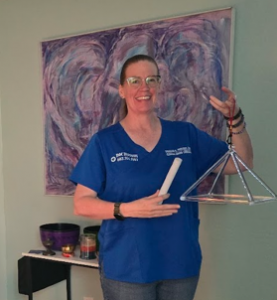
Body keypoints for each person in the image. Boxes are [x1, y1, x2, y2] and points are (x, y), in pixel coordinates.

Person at [70, 54, 253, 300]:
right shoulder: (105, 142)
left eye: (151, 79)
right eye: (134, 80)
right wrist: (130, 209)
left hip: (180, 264)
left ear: (159, 86)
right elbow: (82, 203)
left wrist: (235, 119)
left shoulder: (184, 135)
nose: (143, 87)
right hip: (127, 269)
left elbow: (242, 162)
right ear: (122, 90)